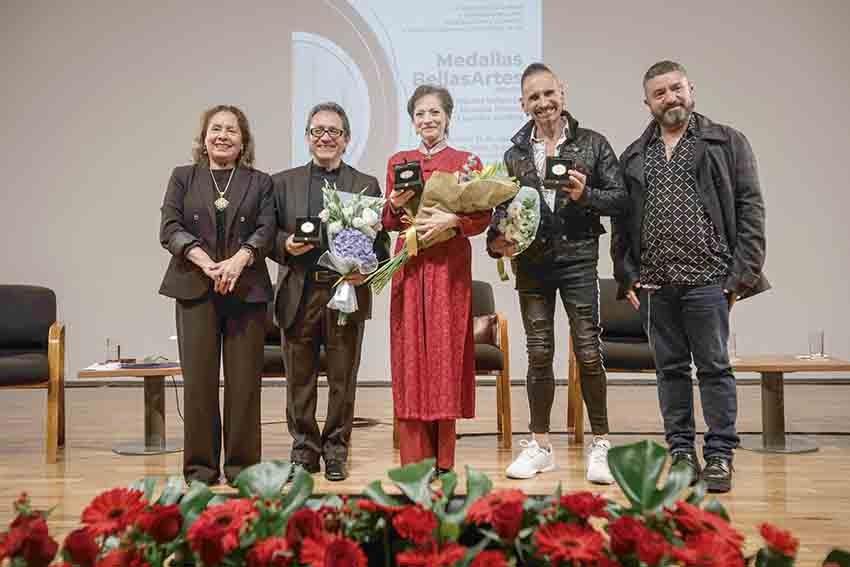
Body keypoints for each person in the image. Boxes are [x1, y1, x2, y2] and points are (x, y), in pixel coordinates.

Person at [612, 60, 769, 493]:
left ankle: (719, 456)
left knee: (715, 369)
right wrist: (626, 276)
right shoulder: (634, 156)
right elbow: (623, 227)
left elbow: (751, 210)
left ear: (691, 89)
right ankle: (680, 453)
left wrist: (740, 276)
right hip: (656, 284)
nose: (670, 98)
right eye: (659, 93)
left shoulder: (726, 142)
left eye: (676, 88)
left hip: (709, 280)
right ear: (647, 103)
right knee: (671, 373)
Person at [487, 63, 628, 483]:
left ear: (562, 94)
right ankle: (540, 445)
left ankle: (601, 443)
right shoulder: (513, 155)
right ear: (523, 104)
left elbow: (620, 200)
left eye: (549, 94)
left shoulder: (593, 144)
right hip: (531, 266)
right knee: (539, 353)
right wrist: (496, 241)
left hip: (580, 260)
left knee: (588, 349)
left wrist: (586, 195)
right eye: (534, 97)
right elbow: (501, 211)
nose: (543, 103)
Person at [269, 102, 389, 481]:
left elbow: (381, 245)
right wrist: (285, 245)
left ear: (346, 139)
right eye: (317, 130)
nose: (325, 137)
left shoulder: (366, 185)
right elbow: (266, 235)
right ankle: (304, 450)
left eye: (333, 131)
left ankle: (336, 449)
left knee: (343, 378)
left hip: (344, 294)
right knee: (298, 379)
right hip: (299, 294)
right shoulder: (281, 183)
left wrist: (364, 269)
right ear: (307, 138)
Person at [159, 104, 275, 485]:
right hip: (195, 287)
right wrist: (205, 262)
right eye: (216, 129)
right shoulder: (183, 177)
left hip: (246, 290)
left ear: (243, 143)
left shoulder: (260, 182)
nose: (223, 135)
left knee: (244, 386)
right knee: (198, 384)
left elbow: (266, 229)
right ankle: (200, 470)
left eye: (231, 130)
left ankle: (243, 470)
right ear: (204, 138)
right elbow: (170, 227)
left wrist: (238, 261)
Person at [383, 84, 491, 474]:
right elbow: (388, 222)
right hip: (410, 266)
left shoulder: (466, 161)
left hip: (449, 268)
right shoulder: (399, 160)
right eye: (420, 114)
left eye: (435, 113)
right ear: (413, 120)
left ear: (448, 116)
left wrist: (455, 221)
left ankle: (444, 460)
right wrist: (393, 205)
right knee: (410, 355)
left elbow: (482, 217)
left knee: (444, 356)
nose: (427, 120)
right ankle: (414, 462)